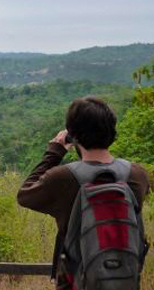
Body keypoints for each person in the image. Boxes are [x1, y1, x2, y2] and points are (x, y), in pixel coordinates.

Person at [17, 96, 150, 290]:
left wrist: (54, 152)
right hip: (125, 280)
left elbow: (24, 194)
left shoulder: (62, 178)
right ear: (113, 131)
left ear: (73, 136)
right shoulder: (137, 175)